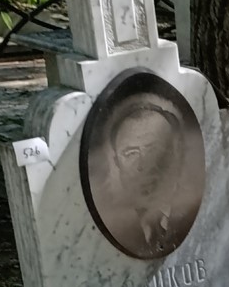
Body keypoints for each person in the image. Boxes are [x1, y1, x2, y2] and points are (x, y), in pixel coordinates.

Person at [84, 78, 207, 259]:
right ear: (117, 163)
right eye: (131, 153)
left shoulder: (196, 210)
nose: (142, 166)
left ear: (176, 152)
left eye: (153, 150)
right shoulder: (114, 224)